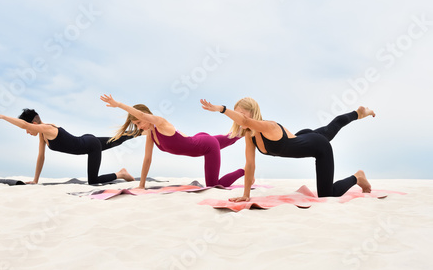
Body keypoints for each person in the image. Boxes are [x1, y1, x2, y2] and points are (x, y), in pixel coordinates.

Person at [200, 98, 375, 201]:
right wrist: (246, 195)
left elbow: (245, 122)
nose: (239, 119)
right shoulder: (249, 136)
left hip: (317, 146)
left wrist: (221, 109)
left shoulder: (268, 126)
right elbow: (250, 165)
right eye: (236, 114)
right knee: (331, 128)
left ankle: (357, 177)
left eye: (241, 114)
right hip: (301, 138)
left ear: (252, 113)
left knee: (326, 195)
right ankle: (358, 113)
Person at [100, 94, 245, 188]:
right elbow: (147, 159)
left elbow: (141, 114)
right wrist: (141, 185)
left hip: (206, 146)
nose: (139, 127)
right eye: (136, 125)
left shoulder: (160, 122)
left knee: (214, 185)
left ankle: (244, 171)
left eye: (139, 122)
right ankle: (243, 131)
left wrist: (118, 104)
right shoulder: (151, 134)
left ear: (146, 116)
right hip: (199, 139)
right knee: (232, 137)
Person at [0, 107, 135, 184]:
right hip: (87, 141)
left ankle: (121, 173)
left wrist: (1, 116)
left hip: (90, 145)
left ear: (34, 124)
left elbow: (24, 125)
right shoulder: (43, 136)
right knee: (118, 139)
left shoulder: (47, 129)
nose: (27, 132)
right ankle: (141, 132)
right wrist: (36, 180)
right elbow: (41, 157)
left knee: (93, 181)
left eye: (29, 129)